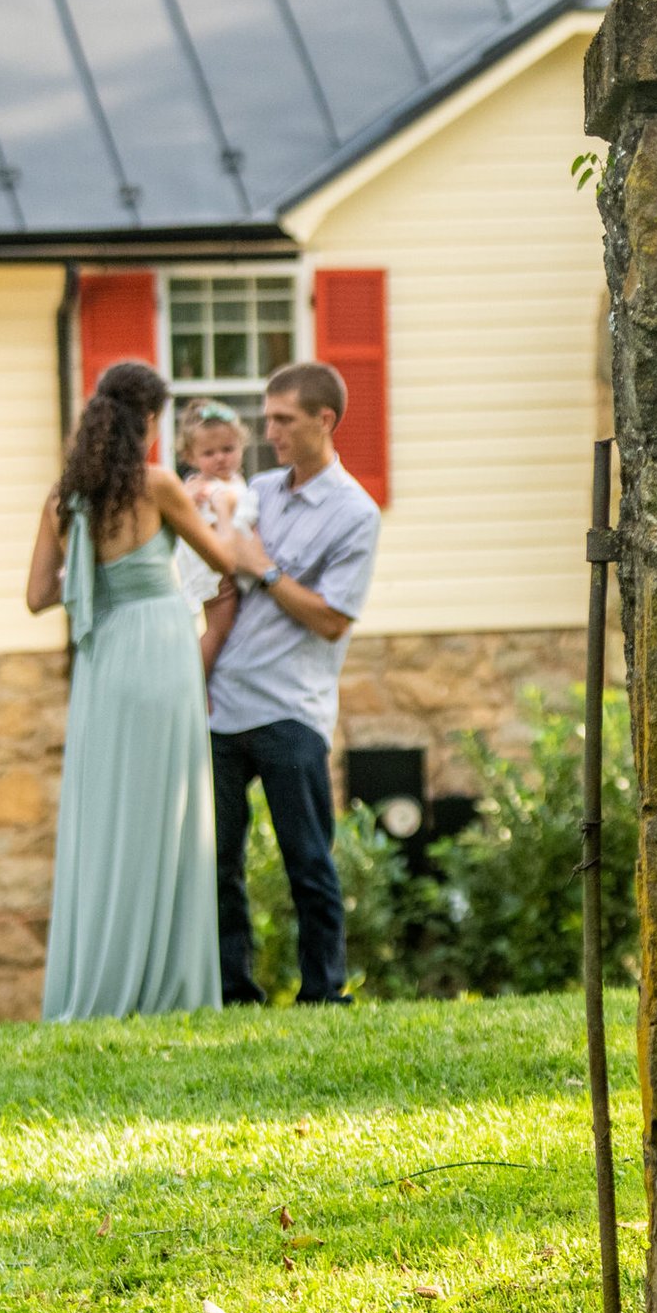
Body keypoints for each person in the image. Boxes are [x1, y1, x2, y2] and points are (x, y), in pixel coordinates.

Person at [26, 361, 245, 1021]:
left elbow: (39, 596)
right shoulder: (158, 487)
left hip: (104, 662)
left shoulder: (66, 499)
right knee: (168, 815)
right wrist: (220, 510)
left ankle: (98, 980)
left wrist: (92, 570)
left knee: (108, 817)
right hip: (160, 651)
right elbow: (224, 562)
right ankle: (167, 984)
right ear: (148, 421)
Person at [209, 362, 381, 1006]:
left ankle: (322, 993)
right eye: (268, 416)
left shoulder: (355, 514)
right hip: (223, 706)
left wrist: (266, 569)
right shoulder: (256, 489)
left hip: (291, 710)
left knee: (308, 861)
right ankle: (232, 990)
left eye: (282, 418)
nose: (268, 429)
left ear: (323, 420)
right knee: (217, 863)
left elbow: (334, 621)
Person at [171, 400, 259, 672]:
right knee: (218, 629)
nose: (221, 457)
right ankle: (195, 684)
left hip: (229, 564)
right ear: (190, 457)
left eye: (228, 449)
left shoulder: (232, 481)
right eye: (209, 453)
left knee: (231, 627)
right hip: (214, 573)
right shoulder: (204, 489)